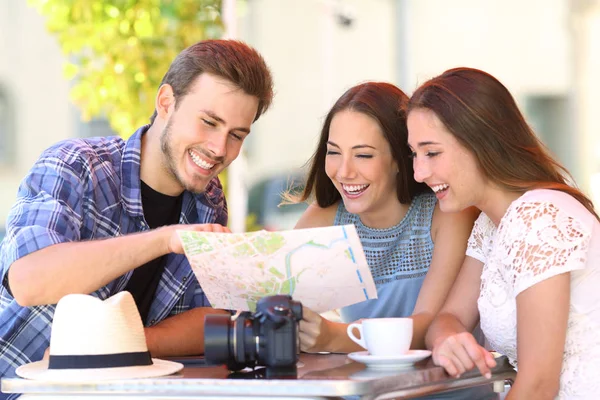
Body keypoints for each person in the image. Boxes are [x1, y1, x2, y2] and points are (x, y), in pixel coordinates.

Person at [0, 39, 274, 384]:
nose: (220, 148)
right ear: (166, 103)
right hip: (17, 386)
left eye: (236, 135)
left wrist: (120, 345)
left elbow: (210, 317)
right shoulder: (76, 165)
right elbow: (28, 280)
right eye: (208, 122)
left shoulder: (208, 202)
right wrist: (164, 240)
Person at [408, 67, 600, 399]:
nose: (419, 172)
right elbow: (449, 317)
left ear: (482, 141)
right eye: (414, 154)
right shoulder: (493, 223)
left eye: (432, 153)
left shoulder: (538, 217)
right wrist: (447, 339)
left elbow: (539, 384)